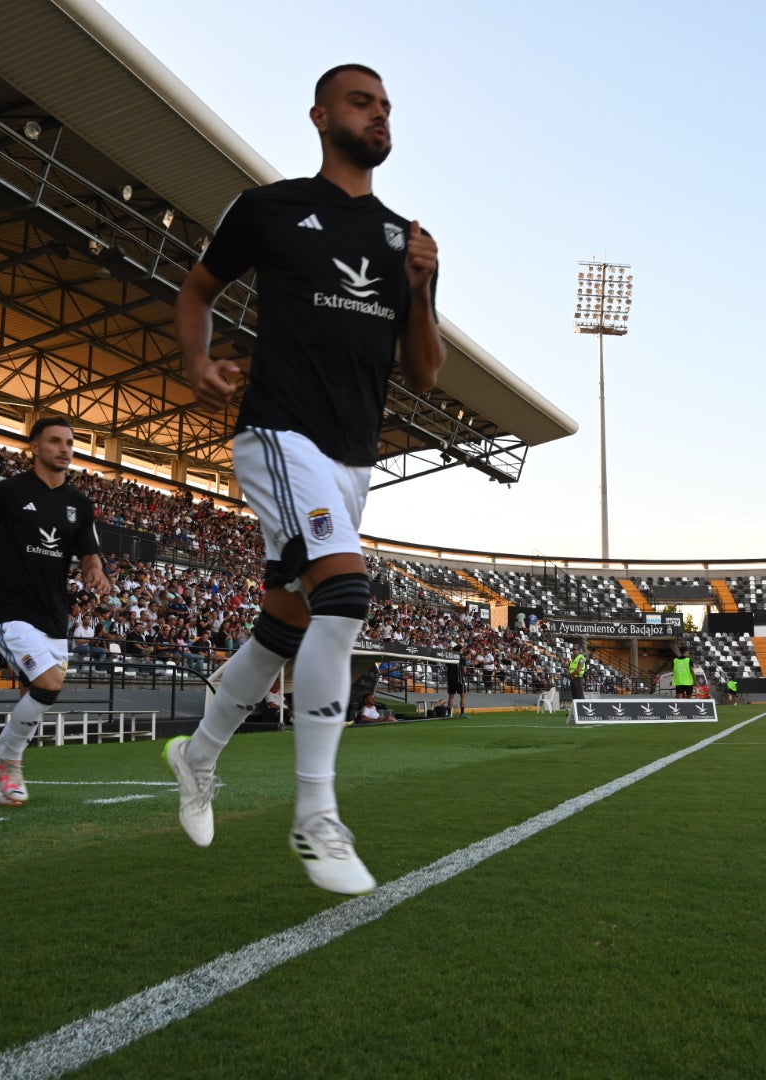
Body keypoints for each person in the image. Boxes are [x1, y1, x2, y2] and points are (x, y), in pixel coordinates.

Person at [167, 63, 443, 895]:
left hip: (354, 458)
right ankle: (316, 814)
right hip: (279, 433)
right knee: (346, 597)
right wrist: (194, 359)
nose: (380, 116)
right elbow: (197, 291)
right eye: (363, 102)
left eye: (388, 106)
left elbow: (424, 374)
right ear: (322, 115)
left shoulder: (404, 237)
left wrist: (424, 291)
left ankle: (198, 755)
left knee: (284, 626)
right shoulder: (270, 208)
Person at [0, 417, 109, 804]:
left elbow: (89, 555)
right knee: (49, 683)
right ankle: (8, 766)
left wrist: (96, 572)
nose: (65, 449)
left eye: (69, 442)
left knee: (45, 690)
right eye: (55, 441)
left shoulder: (80, 504)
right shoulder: (7, 491)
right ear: (34, 446)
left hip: (53, 615)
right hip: (8, 609)